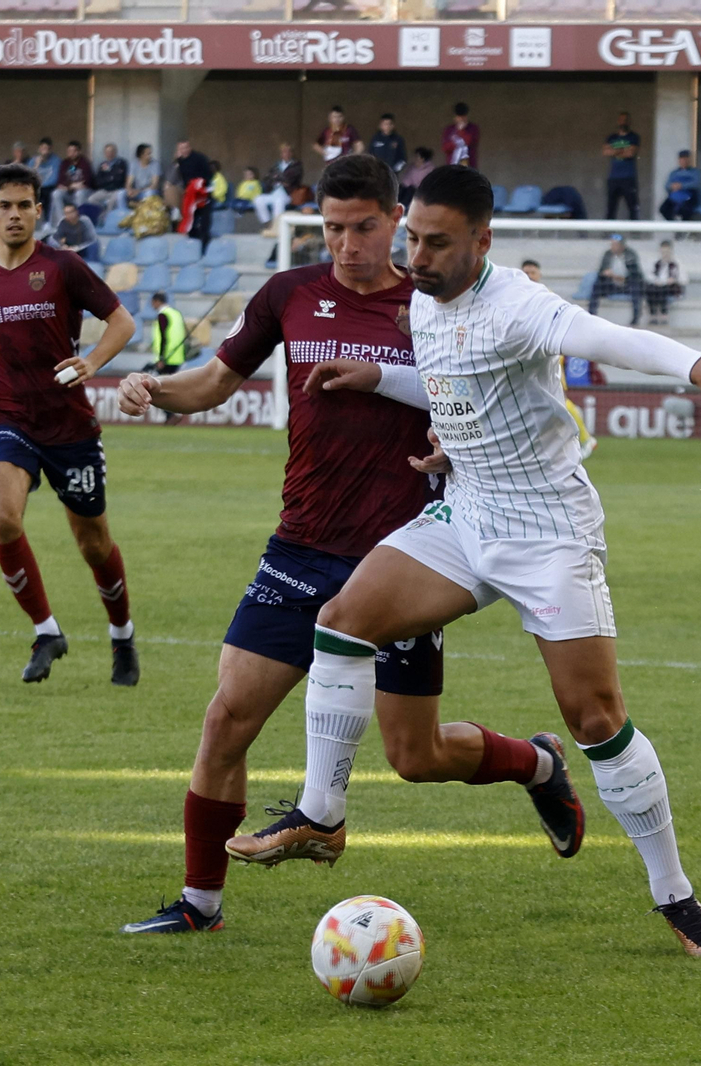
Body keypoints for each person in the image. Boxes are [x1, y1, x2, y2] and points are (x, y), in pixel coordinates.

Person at [228, 164, 701, 960]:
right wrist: (379, 377)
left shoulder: (519, 304)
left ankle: (674, 894)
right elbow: (451, 385)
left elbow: (605, 338)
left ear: (483, 241)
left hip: (547, 534)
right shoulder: (420, 298)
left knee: (596, 718)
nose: (417, 256)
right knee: (342, 621)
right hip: (465, 512)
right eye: (412, 238)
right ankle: (321, 815)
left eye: (437, 243)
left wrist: (697, 367)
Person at [111, 155, 452, 935]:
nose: (347, 244)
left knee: (418, 756)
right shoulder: (290, 294)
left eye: (363, 227)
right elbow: (213, 382)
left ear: (396, 220)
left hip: (403, 561)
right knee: (227, 717)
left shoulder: (431, 308)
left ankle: (535, 763)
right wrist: (151, 389)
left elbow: (474, 411)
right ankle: (200, 905)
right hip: (301, 546)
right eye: (333, 228)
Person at [0, 162, 139, 685]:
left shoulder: (62, 268)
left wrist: (93, 362)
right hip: (10, 416)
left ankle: (122, 636)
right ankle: (46, 631)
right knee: (2, 518)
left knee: (93, 544)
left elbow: (122, 322)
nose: (14, 214)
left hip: (70, 427)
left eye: (23, 205)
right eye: (4, 205)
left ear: (38, 211)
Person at [522, 258, 598, 460]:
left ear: (539, 275)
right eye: (526, 272)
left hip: (549, 355)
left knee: (560, 399)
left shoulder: (548, 297)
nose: (529, 276)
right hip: (528, 356)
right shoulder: (518, 297)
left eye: (533, 272)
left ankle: (585, 438)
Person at [587, 233, 641, 326]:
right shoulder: (607, 254)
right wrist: (606, 273)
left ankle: (635, 319)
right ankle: (591, 315)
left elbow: (635, 274)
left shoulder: (630, 255)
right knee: (597, 286)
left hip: (626, 284)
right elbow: (601, 271)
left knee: (636, 289)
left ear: (621, 245)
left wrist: (621, 278)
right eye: (612, 244)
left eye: (615, 244)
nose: (613, 247)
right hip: (611, 284)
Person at [172, 140, 214, 249]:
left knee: (204, 222)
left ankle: (205, 247)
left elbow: (209, 175)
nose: (184, 150)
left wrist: (199, 185)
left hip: (202, 193)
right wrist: (176, 160)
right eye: (181, 149)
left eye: (186, 148)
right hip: (190, 195)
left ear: (189, 147)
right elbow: (176, 177)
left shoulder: (200, 158)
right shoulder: (180, 161)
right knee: (191, 221)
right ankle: (193, 246)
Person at [255, 143, 303, 233]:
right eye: (284, 152)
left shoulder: (297, 165)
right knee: (258, 199)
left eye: (289, 152)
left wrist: (276, 178)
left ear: (292, 153)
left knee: (279, 202)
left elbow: (291, 179)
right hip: (274, 192)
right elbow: (267, 178)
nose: (286, 154)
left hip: (288, 195)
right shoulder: (276, 165)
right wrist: (278, 179)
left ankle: (276, 227)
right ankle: (268, 223)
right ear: (281, 154)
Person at [603, 110, 641, 220]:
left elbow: (631, 153)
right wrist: (622, 150)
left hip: (628, 177)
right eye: (622, 120)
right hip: (613, 178)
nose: (623, 122)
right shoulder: (612, 137)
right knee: (611, 208)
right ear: (618, 121)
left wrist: (614, 150)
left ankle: (634, 235)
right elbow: (605, 152)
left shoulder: (634, 137)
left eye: (626, 120)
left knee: (633, 208)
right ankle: (608, 234)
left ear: (629, 122)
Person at [49, 140, 95, 221]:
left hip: (84, 192)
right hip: (69, 191)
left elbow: (87, 182)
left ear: (79, 151)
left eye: (74, 151)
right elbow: (60, 181)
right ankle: (62, 221)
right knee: (56, 193)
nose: (71, 153)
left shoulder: (85, 163)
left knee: (80, 193)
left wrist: (69, 186)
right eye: (69, 151)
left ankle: (78, 221)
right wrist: (72, 186)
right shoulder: (65, 163)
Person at [145, 291, 188, 374]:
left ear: (157, 301)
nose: (152, 305)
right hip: (178, 356)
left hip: (167, 357)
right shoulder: (176, 313)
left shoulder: (163, 315)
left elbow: (163, 337)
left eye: (153, 302)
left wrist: (161, 358)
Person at [645, 240, 685, 326]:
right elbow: (649, 275)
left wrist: (674, 280)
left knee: (662, 290)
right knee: (651, 289)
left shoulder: (676, 263)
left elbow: (684, 279)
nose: (665, 254)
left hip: (671, 287)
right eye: (663, 252)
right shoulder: (656, 263)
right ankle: (653, 314)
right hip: (658, 285)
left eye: (667, 252)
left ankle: (664, 314)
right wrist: (656, 281)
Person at [657, 149, 701, 222]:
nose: (684, 161)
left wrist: (681, 186)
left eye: (686, 158)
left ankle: (685, 229)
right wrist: (673, 186)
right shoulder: (674, 173)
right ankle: (675, 226)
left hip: (690, 197)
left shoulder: (695, 172)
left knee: (685, 210)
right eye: (682, 159)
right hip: (676, 196)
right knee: (663, 209)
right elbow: (667, 185)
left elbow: (696, 184)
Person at [90, 143, 128, 213]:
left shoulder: (121, 163)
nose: (109, 154)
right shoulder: (102, 165)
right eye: (107, 152)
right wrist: (110, 179)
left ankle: (108, 218)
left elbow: (120, 179)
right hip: (105, 190)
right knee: (91, 199)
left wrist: (110, 177)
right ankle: (103, 210)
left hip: (117, 190)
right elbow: (98, 181)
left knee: (111, 203)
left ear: (115, 152)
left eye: (111, 151)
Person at [442, 102, 479, 169]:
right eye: (459, 117)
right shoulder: (449, 130)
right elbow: (445, 148)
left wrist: (461, 131)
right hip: (452, 166)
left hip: (468, 166)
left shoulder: (473, 128)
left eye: (463, 117)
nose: (461, 119)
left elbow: (469, 141)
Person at [32, 138, 59, 213]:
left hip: (48, 187)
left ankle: (47, 222)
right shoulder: (33, 161)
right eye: (43, 148)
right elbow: (29, 177)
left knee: (48, 194)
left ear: (50, 149)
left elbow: (54, 179)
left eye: (46, 148)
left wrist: (42, 185)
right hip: (36, 187)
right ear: (39, 149)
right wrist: (36, 165)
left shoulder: (56, 160)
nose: (44, 151)